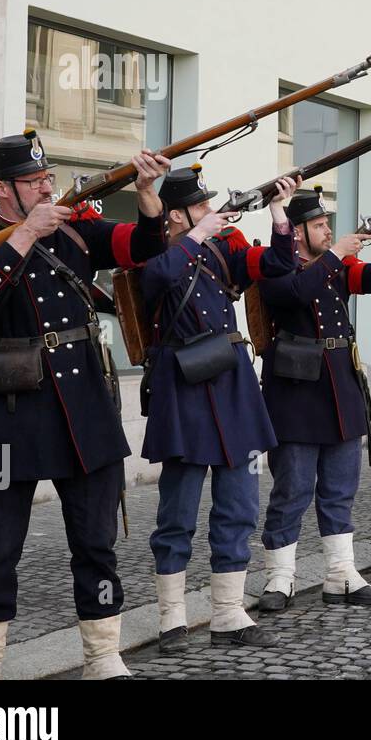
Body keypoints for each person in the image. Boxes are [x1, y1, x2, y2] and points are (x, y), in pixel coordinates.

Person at [0, 131, 169, 680]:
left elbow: (140, 249)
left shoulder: (74, 225)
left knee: (95, 543)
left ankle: (102, 654)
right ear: (3, 189)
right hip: (4, 408)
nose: (47, 188)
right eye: (33, 182)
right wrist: (25, 233)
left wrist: (146, 196)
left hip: (81, 403)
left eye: (48, 179)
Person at [142, 167, 300, 651]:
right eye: (199, 206)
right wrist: (197, 234)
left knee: (238, 505)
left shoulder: (222, 245)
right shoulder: (160, 248)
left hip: (231, 381)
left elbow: (276, 266)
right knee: (178, 511)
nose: (210, 211)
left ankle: (228, 614)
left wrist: (279, 214)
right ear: (176, 214)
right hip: (182, 381)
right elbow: (156, 279)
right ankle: (171, 619)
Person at [256, 191, 371, 611]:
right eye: (320, 225)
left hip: (339, 389)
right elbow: (296, 292)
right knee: (292, 489)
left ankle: (341, 574)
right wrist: (336, 254)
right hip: (294, 393)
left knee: (340, 489)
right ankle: (280, 577)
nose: (328, 230)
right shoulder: (278, 266)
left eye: (328, 224)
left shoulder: (338, 268)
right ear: (299, 231)